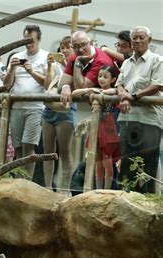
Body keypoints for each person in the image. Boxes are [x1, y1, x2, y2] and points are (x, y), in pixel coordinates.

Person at [115, 26, 162, 193]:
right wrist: (123, 95)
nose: (137, 40)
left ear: (149, 40)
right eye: (134, 37)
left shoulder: (157, 60)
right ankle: (126, 201)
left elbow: (157, 85)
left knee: (147, 166)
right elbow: (119, 85)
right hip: (128, 119)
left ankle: (147, 206)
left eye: (141, 37)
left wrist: (131, 96)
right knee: (127, 165)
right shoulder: (126, 62)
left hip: (149, 120)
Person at [2, 25, 48, 179]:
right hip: (16, 107)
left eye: (31, 40)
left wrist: (31, 71)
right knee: (18, 147)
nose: (28, 44)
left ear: (39, 39)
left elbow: (48, 83)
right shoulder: (17, 56)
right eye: (25, 40)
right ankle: (18, 178)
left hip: (35, 107)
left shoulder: (45, 57)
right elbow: (6, 85)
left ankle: (26, 181)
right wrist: (12, 69)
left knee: (29, 146)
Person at [72, 66, 121, 189]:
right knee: (98, 163)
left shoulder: (114, 91)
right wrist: (91, 89)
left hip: (108, 128)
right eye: (99, 76)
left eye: (105, 77)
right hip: (97, 127)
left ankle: (107, 189)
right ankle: (98, 189)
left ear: (113, 79)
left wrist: (101, 92)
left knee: (107, 162)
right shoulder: (95, 90)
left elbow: (115, 92)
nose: (101, 79)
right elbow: (74, 93)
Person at [41, 36, 76, 194]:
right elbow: (47, 85)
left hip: (66, 110)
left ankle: (65, 188)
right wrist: (49, 66)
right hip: (49, 110)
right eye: (63, 47)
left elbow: (76, 82)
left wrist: (65, 64)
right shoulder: (54, 65)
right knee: (48, 152)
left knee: (65, 151)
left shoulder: (77, 65)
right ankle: (48, 187)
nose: (65, 50)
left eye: (68, 47)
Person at [59, 31, 114, 106]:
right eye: (76, 46)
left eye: (83, 45)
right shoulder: (74, 57)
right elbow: (60, 86)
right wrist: (66, 86)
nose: (81, 50)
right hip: (95, 106)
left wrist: (77, 62)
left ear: (90, 43)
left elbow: (80, 88)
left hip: (113, 106)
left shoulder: (101, 61)